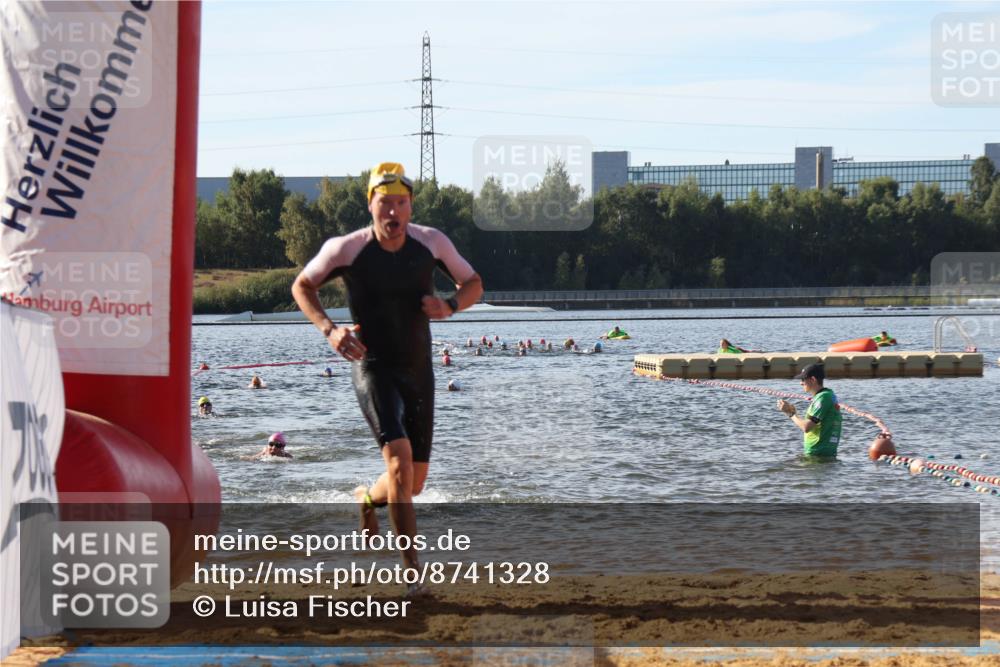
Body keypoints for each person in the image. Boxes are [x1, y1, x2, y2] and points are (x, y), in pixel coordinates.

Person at [291, 161, 483, 596]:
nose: (393, 212)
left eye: (401, 203)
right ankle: (413, 573)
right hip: (372, 363)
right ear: (371, 205)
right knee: (397, 461)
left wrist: (452, 305)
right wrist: (330, 330)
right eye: (385, 203)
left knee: (413, 483)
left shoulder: (431, 242)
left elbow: (473, 282)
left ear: (410, 206)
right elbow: (302, 286)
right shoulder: (347, 249)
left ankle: (366, 500)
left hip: (418, 369)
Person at [777, 363, 843, 458]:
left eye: (803, 379)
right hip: (821, 454)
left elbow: (806, 427)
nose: (801, 383)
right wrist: (793, 413)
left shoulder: (823, 398)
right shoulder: (827, 395)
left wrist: (790, 413)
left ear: (813, 380)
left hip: (819, 454)